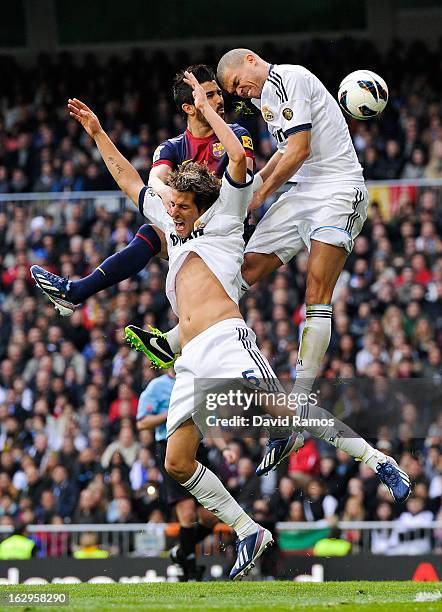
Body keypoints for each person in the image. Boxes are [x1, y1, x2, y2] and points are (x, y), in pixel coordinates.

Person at [66, 72, 410, 576]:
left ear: (202, 204)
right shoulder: (171, 220)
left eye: (181, 208)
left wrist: (208, 111)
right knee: (176, 463)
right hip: (190, 360)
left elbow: (238, 158)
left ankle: (378, 460)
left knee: (287, 415)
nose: (174, 216)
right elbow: (132, 183)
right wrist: (98, 133)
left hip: (228, 341)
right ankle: (250, 531)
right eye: (173, 209)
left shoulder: (224, 217)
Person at [126, 48, 370, 477]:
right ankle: (176, 338)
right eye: (236, 91)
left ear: (253, 61)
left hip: (337, 190)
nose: (241, 94)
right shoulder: (265, 99)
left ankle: (299, 397)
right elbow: (282, 157)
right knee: (242, 271)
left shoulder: (289, 78)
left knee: (316, 289)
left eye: (240, 85)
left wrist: (256, 193)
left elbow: (298, 149)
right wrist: (257, 187)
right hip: (301, 194)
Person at [30, 64, 254, 331]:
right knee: (152, 233)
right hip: (190, 232)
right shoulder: (172, 149)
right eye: (208, 96)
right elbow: (140, 182)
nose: (218, 100)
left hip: (225, 232)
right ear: (188, 107)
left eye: (217, 94)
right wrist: (99, 135)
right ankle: (77, 292)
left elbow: (241, 173)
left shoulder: (236, 135)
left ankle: (171, 339)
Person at [137, 369, 219, 581]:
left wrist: (224, 446)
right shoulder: (157, 386)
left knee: (212, 516)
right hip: (169, 447)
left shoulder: (198, 384)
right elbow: (142, 422)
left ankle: (181, 552)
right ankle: (190, 568)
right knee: (187, 511)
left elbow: (212, 419)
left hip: (197, 448)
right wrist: (171, 413)